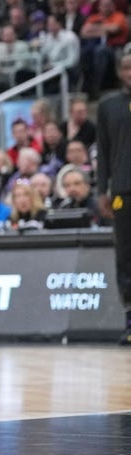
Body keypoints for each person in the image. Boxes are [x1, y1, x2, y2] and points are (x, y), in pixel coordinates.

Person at [96, 52, 131, 344]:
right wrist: (101, 190)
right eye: (127, 67)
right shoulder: (108, 106)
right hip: (123, 190)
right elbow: (103, 152)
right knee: (126, 256)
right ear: (120, 71)